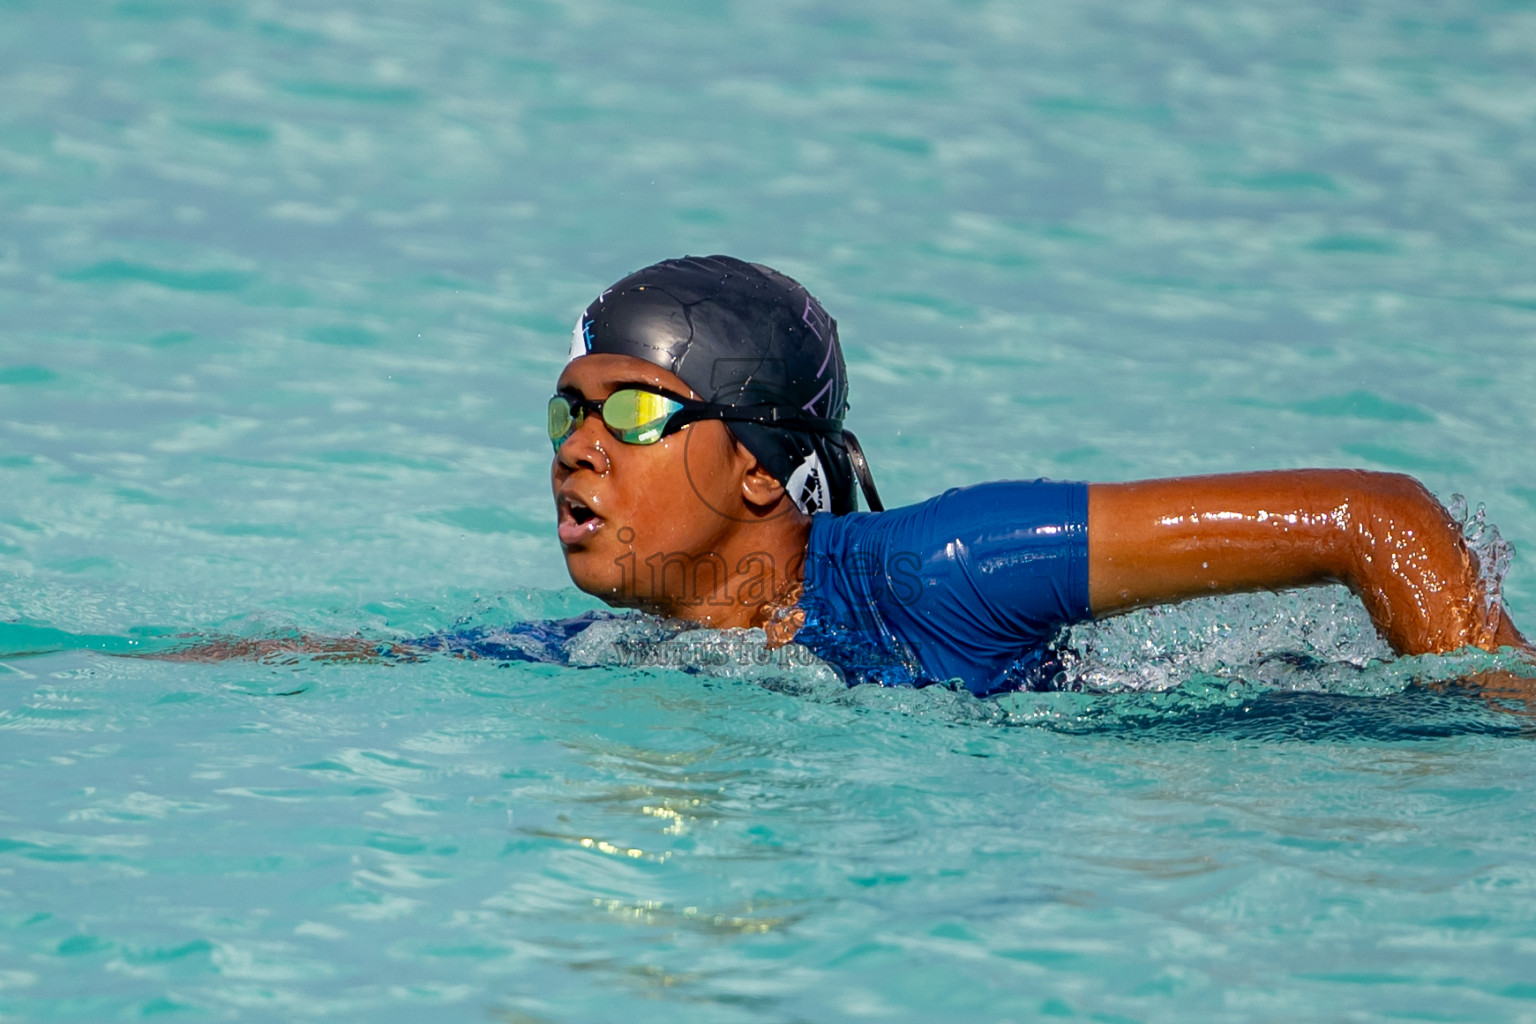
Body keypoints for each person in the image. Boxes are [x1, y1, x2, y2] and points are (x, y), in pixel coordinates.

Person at [548, 254, 1528, 696]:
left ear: (761, 470)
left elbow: (1376, 516)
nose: (577, 447)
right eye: (569, 410)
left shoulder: (946, 569)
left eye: (634, 410)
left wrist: (1494, 706)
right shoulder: (626, 645)